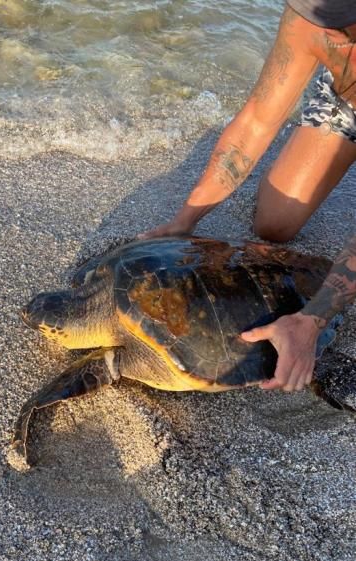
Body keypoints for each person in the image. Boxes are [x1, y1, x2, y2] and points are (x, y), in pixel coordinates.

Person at [139, 0, 356, 393]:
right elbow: (257, 119)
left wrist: (311, 321)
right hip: (347, 99)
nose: (330, 30)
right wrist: (185, 219)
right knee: (273, 223)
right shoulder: (310, 18)